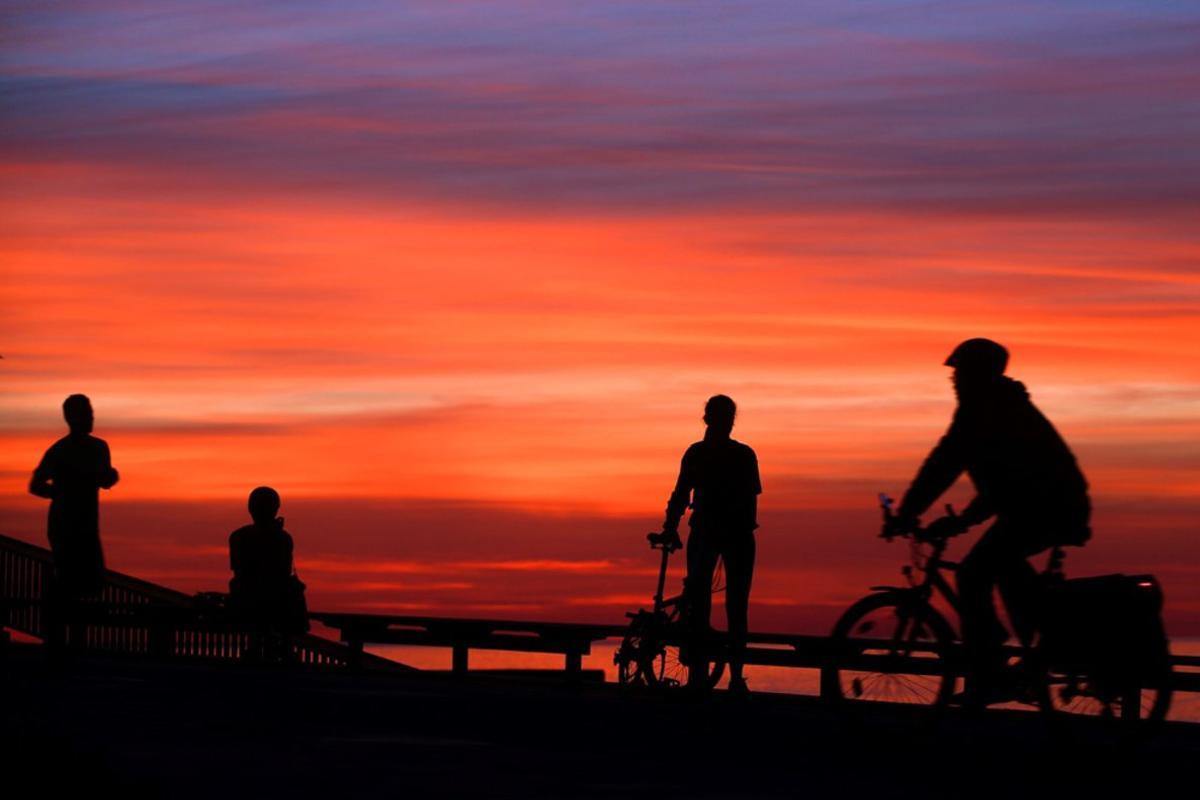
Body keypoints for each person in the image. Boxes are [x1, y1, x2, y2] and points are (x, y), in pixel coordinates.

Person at [891, 338, 1090, 705]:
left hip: (1046, 508)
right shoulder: (997, 407)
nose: (954, 380)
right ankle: (1036, 650)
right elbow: (1003, 481)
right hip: (1038, 506)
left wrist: (907, 513)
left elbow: (945, 463)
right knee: (1003, 567)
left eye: (960, 372)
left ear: (979, 373)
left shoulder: (986, 410)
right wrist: (963, 520)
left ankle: (994, 666)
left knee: (973, 573)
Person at [661, 394, 762, 693]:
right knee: (724, 604)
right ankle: (728, 677)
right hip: (728, 533)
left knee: (713, 602)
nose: (726, 423)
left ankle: (715, 676)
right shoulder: (738, 454)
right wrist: (671, 525)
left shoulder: (703, 453)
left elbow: (680, 495)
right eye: (725, 417)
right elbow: (749, 500)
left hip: (718, 532)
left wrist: (671, 525)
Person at [29, 394, 119, 650]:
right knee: (68, 581)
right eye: (85, 413)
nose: (90, 417)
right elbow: (35, 485)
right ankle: (59, 642)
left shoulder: (99, 448)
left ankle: (71, 642)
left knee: (88, 583)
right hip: (65, 526)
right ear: (71, 418)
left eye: (91, 412)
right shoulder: (61, 451)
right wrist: (62, 492)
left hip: (87, 525)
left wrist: (109, 477)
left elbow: (104, 479)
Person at [228, 486, 309, 639]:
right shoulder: (282, 537)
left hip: (248, 600)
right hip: (272, 602)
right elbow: (282, 573)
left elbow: (239, 572)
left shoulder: (239, 536)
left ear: (250, 508)